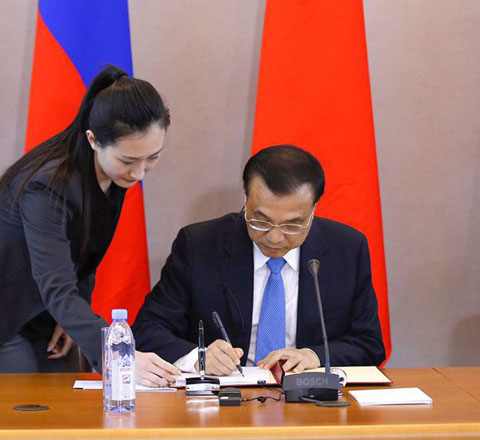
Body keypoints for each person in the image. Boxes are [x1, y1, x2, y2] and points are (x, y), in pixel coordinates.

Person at [133, 145, 385, 385]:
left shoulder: (346, 249)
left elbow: (369, 344)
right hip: (223, 400)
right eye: (260, 221)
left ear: (313, 210)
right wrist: (198, 357)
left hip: (311, 398)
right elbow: (148, 330)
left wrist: (315, 356)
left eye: (292, 225)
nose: (274, 238)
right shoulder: (200, 245)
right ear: (246, 199)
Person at [0, 65, 177, 380]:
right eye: (128, 160)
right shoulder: (48, 186)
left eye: (153, 157)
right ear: (94, 140)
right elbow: (57, 285)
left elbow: (84, 255)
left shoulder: (113, 174)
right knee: (25, 407)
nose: (139, 173)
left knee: (70, 403)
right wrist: (120, 355)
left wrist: (74, 316)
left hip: (42, 309)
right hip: (7, 312)